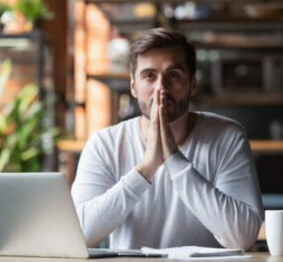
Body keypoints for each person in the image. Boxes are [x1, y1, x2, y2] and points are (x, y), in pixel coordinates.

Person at [71, 27, 263, 250]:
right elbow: (77, 234)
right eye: (149, 76)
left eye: (173, 75)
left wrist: (174, 158)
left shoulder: (227, 137)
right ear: (133, 86)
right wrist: (145, 170)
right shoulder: (105, 145)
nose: (161, 88)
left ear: (193, 84)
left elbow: (243, 238)